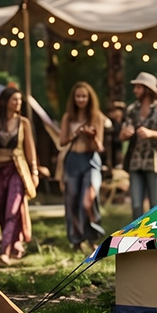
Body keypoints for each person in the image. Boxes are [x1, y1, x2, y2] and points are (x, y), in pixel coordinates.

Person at [0, 86, 43, 265]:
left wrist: (34, 172)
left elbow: (30, 149)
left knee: (12, 210)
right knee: (1, 210)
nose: (18, 102)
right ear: (5, 102)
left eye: (20, 99)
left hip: (16, 170)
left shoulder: (23, 123)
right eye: (14, 99)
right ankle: (14, 244)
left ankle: (4, 251)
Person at [120, 72, 157, 218]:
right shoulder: (132, 110)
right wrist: (125, 134)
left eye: (138, 87)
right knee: (136, 206)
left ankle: (155, 233)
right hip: (136, 162)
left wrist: (151, 133)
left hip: (155, 163)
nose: (135, 90)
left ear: (148, 89)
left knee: (155, 206)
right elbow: (121, 135)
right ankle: (137, 233)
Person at [60, 81, 106, 251]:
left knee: (88, 199)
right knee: (72, 200)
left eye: (84, 96)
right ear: (73, 98)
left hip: (90, 160)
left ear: (90, 98)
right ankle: (76, 240)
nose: (81, 99)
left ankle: (92, 236)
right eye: (78, 96)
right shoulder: (68, 117)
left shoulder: (97, 117)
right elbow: (62, 141)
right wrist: (75, 134)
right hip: (73, 160)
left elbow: (99, 147)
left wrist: (92, 136)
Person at [104, 100, 126, 171]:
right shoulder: (110, 120)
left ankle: (118, 163)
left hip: (118, 140)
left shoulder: (122, 121)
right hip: (111, 140)